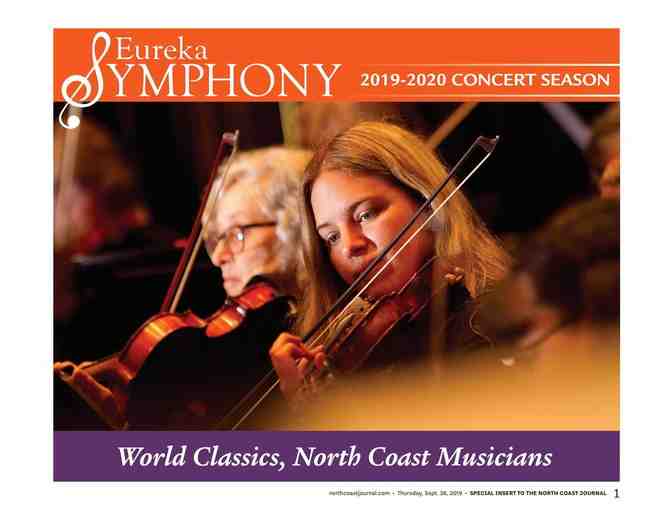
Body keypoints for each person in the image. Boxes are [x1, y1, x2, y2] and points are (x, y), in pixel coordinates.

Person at [268, 121, 511, 405]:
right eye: (331, 237)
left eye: (366, 215)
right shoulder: (344, 356)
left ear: (426, 203)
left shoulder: (498, 318)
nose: (349, 246)